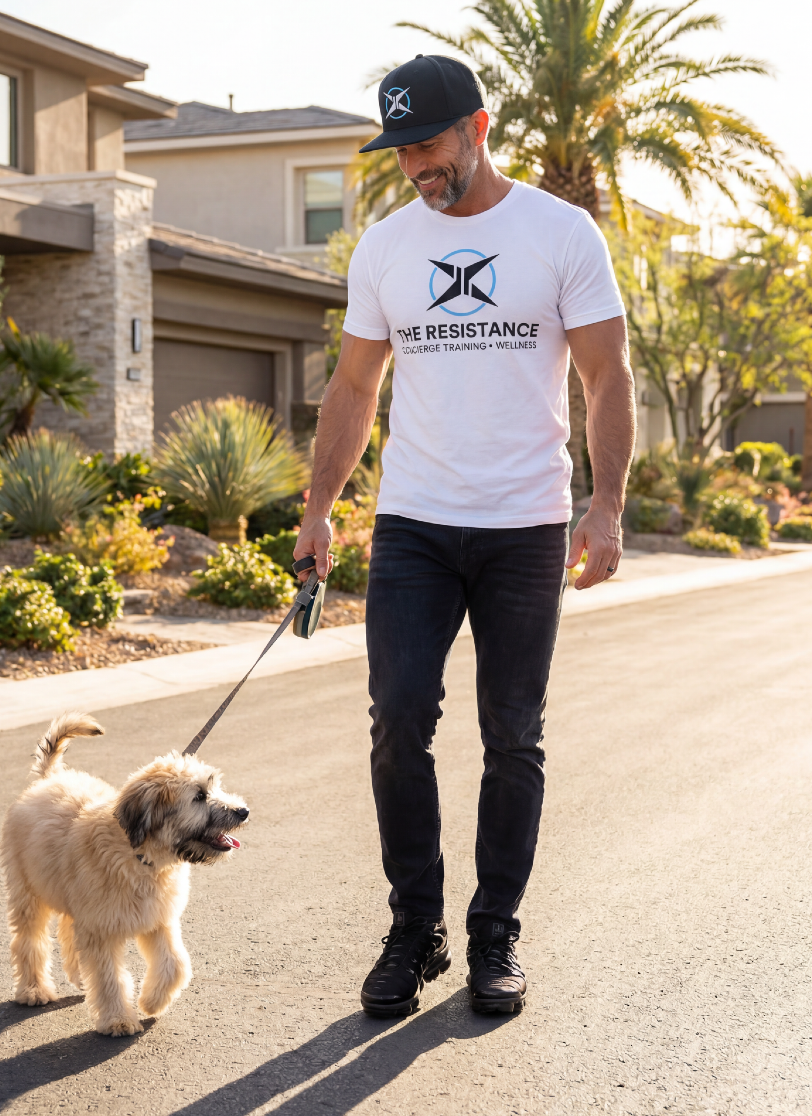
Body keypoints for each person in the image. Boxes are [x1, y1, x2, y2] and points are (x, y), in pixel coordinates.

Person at [294, 54, 636, 1018]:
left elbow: (607, 377)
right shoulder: (385, 249)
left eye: (429, 144)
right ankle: (416, 928)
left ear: (479, 128)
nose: (416, 166)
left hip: (526, 525)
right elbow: (354, 387)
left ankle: (495, 934)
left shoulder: (560, 233)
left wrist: (607, 503)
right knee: (398, 717)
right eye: (401, 150)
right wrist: (319, 508)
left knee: (512, 734)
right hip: (414, 523)